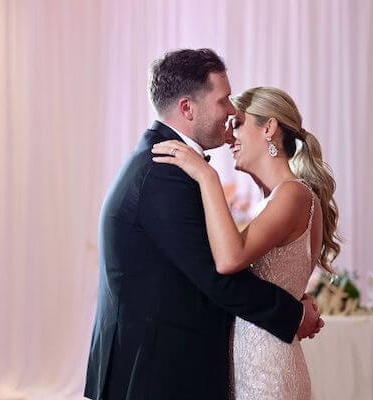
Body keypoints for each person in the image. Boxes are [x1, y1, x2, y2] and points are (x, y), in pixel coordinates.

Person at [84, 49, 323, 400]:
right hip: (156, 373)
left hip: (189, 366)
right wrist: (292, 313)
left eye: (239, 117)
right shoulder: (166, 172)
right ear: (187, 108)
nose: (229, 116)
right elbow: (217, 275)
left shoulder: (169, 164)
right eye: (224, 101)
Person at [152, 86, 341, 399]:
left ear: (268, 127)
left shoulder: (293, 195)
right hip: (253, 361)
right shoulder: (274, 200)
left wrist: (206, 176)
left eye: (236, 124)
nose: (228, 138)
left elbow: (229, 260)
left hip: (266, 369)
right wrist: (297, 306)